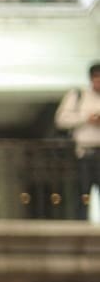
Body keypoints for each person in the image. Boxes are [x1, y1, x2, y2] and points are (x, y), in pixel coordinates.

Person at [55, 61, 100, 218]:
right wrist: (87, 118)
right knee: (82, 193)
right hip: (84, 152)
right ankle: (81, 225)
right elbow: (61, 120)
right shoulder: (79, 95)